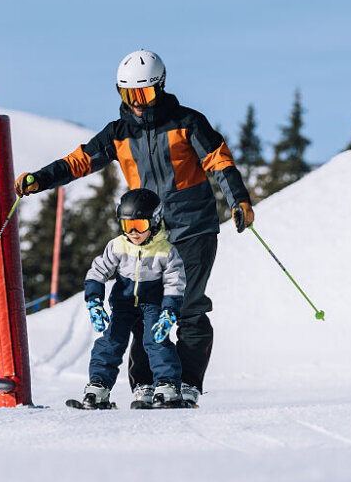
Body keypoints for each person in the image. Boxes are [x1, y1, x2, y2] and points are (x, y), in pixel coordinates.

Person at [16, 49, 254, 406]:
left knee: (187, 306)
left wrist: (238, 199)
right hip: (148, 234)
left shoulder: (187, 122)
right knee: (144, 306)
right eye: (129, 96)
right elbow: (79, 160)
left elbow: (218, 159)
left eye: (144, 94)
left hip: (193, 228)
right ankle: (145, 383)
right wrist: (42, 179)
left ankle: (186, 383)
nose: (138, 104)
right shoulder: (119, 133)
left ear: (161, 87)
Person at [78, 188, 185, 409]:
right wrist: (94, 301)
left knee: (155, 340)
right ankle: (98, 387)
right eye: (128, 226)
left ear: (154, 221)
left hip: (152, 304)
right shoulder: (118, 245)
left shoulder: (166, 250)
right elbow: (98, 272)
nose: (133, 232)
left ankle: (167, 386)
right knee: (111, 341)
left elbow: (175, 282)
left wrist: (169, 312)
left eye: (140, 225)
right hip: (123, 304)